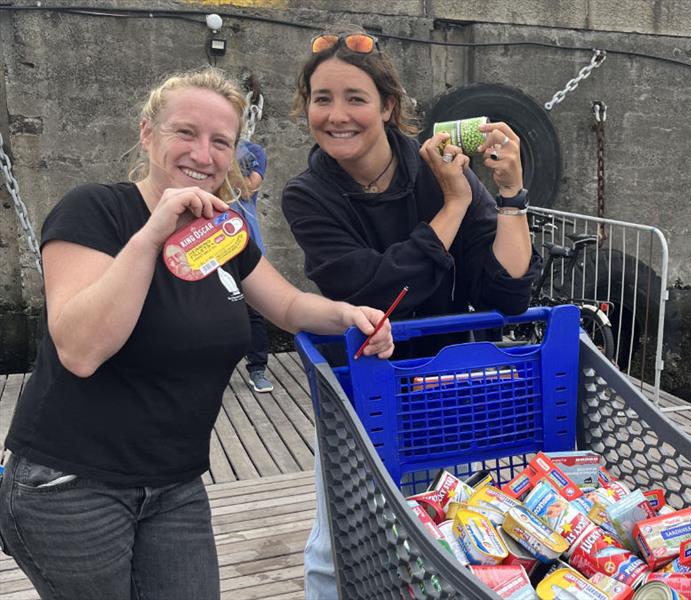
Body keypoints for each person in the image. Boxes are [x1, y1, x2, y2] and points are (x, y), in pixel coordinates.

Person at [0, 67, 393, 600]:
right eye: (185, 132)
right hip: (71, 485)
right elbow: (80, 350)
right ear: (148, 133)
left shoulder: (221, 233)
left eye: (220, 142)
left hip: (174, 484)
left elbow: (290, 305)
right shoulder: (95, 210)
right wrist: (154, 231)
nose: (202, 155)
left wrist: (350, 315)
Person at [281, 30, 537, 599]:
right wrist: (454, 205)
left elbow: (506, 294)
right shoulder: (307, 195)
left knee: (449, 535)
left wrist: (511, 193)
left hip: (446, 381)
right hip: (362, 383)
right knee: (340, 543)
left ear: (387, 106)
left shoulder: (440, 167)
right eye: (322, 99)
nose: (337, 115)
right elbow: (376, 292)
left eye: (355, 98)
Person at [234, 139, 273, 393]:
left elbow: (247, 189)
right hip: (206, 244)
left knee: (255, 310)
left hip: (247, 243)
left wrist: (228, 159)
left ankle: (257, 368)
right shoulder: (203, 152)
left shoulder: (254, 151)